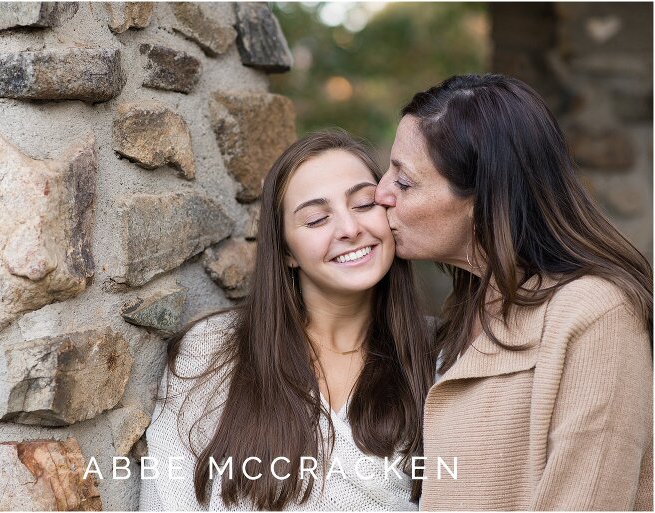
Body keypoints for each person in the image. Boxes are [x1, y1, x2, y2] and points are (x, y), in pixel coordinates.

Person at [375, 73, 653, 510]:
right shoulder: (464, 312)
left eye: (404, 183)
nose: (380, 194)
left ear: (486, 199)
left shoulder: (596, 316)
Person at [140, 130, 435, 511]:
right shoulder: (211, 351)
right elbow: (167, 499)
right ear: (286, 252)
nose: (349, 228)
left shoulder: (440, 355)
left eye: (363, 204)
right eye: (315, 220)